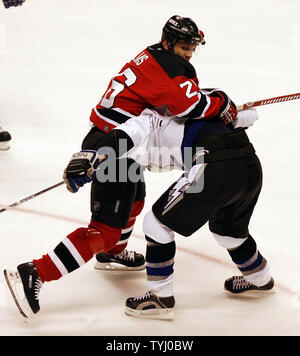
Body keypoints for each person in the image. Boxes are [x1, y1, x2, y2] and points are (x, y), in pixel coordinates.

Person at [3, 15, 240, 319]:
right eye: (183, 47)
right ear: (168, 42)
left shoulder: (156, 56)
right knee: (104, 227)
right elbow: (190, 108)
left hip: (120, 141)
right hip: (114, 146)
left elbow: (171, 103)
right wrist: (222, 102)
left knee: (136, 195)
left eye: (192, 47)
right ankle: (34, 272)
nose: (189, 53)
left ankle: (112, 252)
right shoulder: (170, 66)